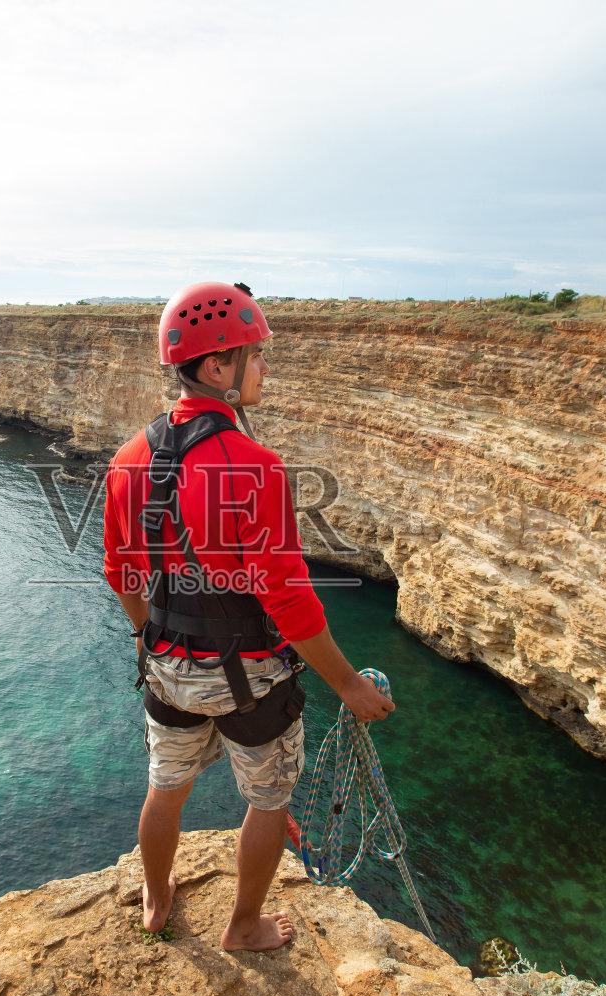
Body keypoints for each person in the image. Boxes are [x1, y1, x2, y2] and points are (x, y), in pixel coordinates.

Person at [103, 281, 395, 952]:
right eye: (255, 355)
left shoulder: (128, 459)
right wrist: (348, 683)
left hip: (166, 668)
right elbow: (288, 600)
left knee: (165, 788)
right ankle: (242, 926)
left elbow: (121, 572)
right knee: (268, 800)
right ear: (217, 367)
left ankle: (156, 900)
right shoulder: (254, 467)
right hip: (251, 680)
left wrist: (147, 636)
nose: (265, 367)